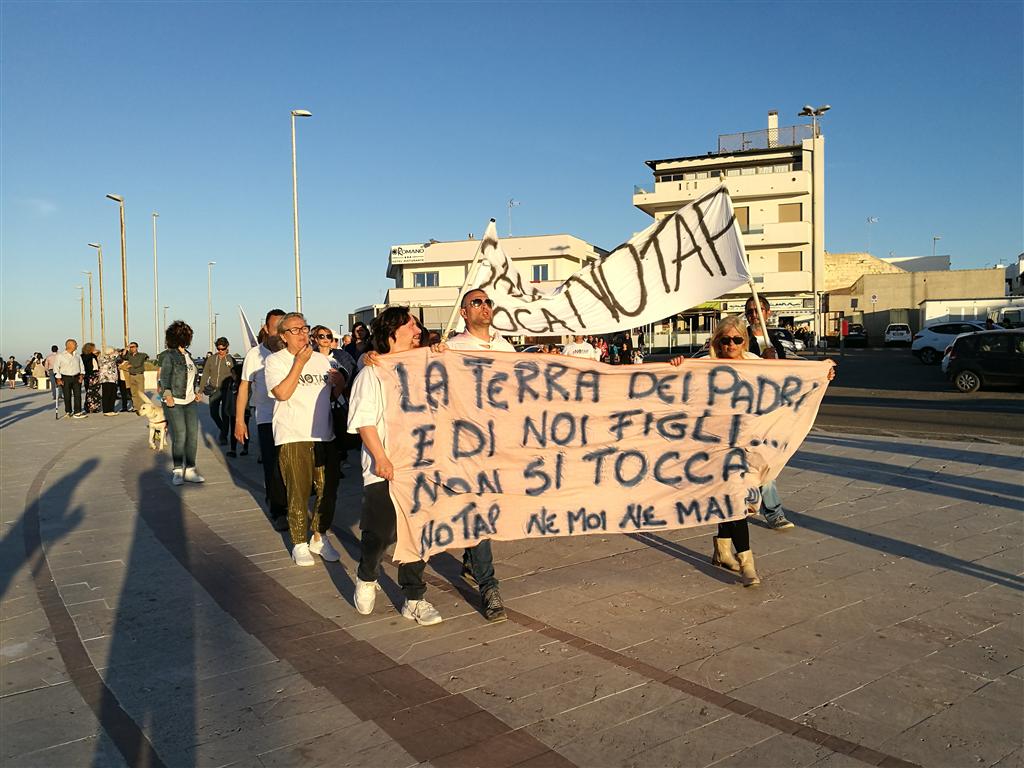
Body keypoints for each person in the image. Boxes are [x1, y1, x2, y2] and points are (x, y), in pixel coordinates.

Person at [348, 306, 442, 626]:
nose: (418, 329)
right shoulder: (372, 373)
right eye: (410, 324)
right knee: (380, 532)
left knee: (418, 533)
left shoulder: (425, 369)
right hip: (385, 466)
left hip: (422, 466)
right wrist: (381, 458)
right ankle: (367, 574)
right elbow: (364, 422)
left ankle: (414, 597)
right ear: (391, 334)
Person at [441, 287, 511, 622]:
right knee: (476, 508)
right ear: (464, 313)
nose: (485, 307)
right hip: (466, 444)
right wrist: (375, 358)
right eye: (476, 303)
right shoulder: (452, 347)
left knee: (487, 509)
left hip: (501, 442)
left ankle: (471, 557)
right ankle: (489, 586)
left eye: (487, 302)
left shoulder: (504, 346)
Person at [265, 313, 344, 566]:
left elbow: (332, 396)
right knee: (297, 492)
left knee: (328, 491)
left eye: (304, 328)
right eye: (295, 330)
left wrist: (339, 384)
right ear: (283, 336)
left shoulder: (322, 360)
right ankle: (299, 541)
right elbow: (282, 393)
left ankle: (319, 537)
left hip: (324, 434)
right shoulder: (275, 361)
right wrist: (299, 363)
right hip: (292, 435)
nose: (302, 334)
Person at [236, 309, 289, 531]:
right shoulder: (254, 355)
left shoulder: (294, 354)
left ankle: (290, 502)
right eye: (275, 328)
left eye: (282, 329)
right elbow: (244, 387)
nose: (278, 334)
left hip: (291, 418)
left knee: (291, 465)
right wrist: (240, 420)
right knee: (273, 464)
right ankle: (278, 509)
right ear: (266, 329)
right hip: (267, 418)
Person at [160, 321, 206, 486]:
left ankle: (191, 470)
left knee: (192, 436)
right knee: (180, 435)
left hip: (189, 401)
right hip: (175, 401)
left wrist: (196, 393)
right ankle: (178, 471)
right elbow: (164, 377)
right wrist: (167, 395)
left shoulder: (189, 355)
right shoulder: (168, 355)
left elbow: (192, 377)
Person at [199, 337, 233, 445]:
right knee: (213, 413)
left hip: (226, 390)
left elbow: (236, 374)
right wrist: (200, 390)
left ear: (227, 347)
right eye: (218, 349)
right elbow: (205, 374)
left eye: (223, 349)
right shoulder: (211, 359)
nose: (221, 351)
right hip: (214, 389)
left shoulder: (231, 359)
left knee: (225, 414)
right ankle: (223, 429)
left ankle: (223, 436)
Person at [53, 339, 86, 418]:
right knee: (67, 395)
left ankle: (77, 412)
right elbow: (56, 368)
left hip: (76, 377)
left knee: (77, 395)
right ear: (69, 345)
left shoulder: (77, 355)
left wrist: (82, 375)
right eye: (75, 344)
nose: (77, 345)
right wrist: (58, 379)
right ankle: (68, 411)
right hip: (65, 377)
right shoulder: (60, 355)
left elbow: (81, 365)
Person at [225, 361, 249, 458]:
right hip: (233, 411)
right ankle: (233, 449)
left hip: (244, 411)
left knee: (245, 430)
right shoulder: (231, 384)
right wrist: (227, 408)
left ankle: (245, 448)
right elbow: (228, 397)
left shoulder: (244, 385)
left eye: (234, 374)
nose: (232, 376)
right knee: (233, 431)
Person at [124, 341, 148, 411]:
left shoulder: (141, 355)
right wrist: (126, 349)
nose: (131, 348)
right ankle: (136, 407)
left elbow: (139, 363)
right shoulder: (129, 355)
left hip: (139, 375)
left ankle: (141, 406)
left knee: (140, 392)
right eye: (130, 347)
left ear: (136, 347)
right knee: (133, 392)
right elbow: (122, 356)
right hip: (131, 376)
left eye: (133, 347)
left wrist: (131, 365)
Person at [97, 346, 120, 416]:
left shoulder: (113, 358)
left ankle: (111, 409)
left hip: (113, 379)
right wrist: (116, 353)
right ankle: (106, 410)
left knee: (113, 395)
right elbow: (114, 357)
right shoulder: (102, 357)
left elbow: (117, 357)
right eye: (112, 351)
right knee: (107, 395)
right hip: (106, 379)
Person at [81, 343, 101, 413]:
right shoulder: (91, 356)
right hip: (91, 375)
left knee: (91, 392)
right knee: (92, 392)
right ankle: (92, 407)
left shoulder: (83, 356)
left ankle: (91, 406)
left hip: (90, 375)